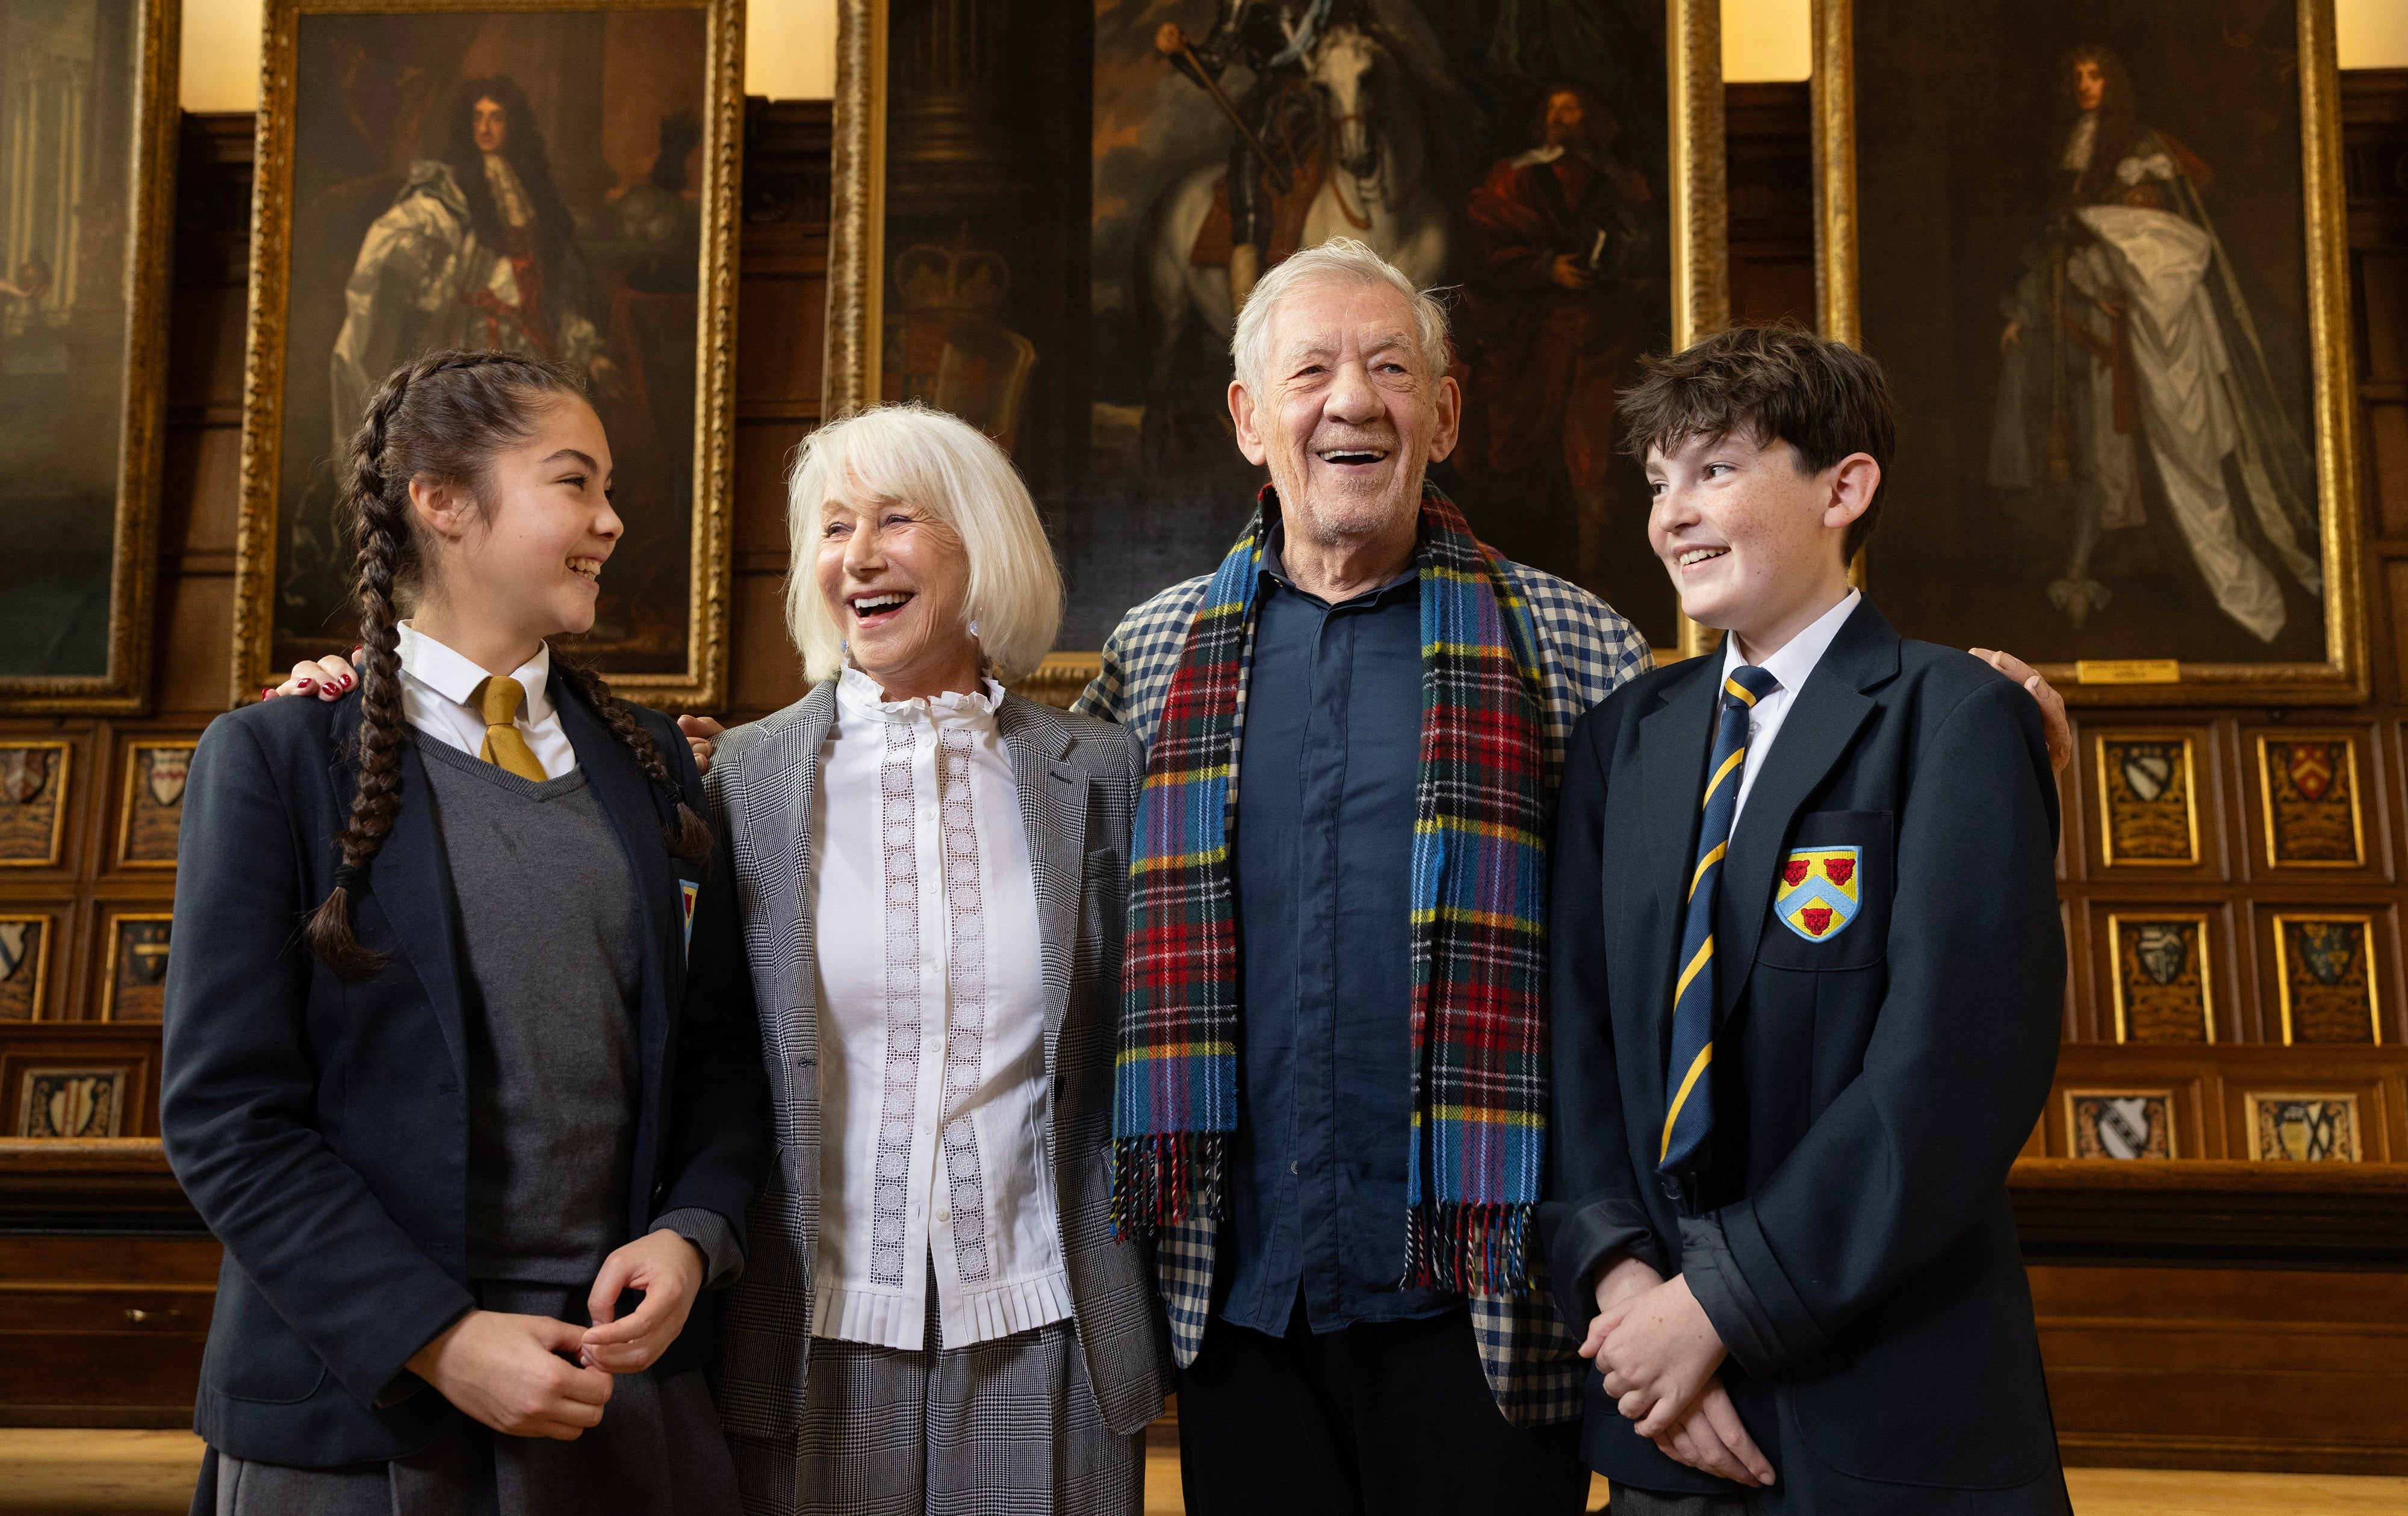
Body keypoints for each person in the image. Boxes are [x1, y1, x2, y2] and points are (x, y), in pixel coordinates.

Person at [1084, 236, 1651, 1515]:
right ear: (1248, 418)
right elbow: (1060, 899)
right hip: (1240, 1301)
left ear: (1442, 414)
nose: (1351, 399)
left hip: (1488, 1301)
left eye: (1390, 367)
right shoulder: (1152, 651)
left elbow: (1674, 917)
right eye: (1310, 371)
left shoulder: (1569, 640)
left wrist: (1949, 722)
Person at [163, 349, 763, 1514]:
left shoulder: (655, 765)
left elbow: (722, 1056)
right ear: (442, 500)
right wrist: (434, 1335)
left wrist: (693, 1232)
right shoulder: (279, 758)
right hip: (357, 1401)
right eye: (575, 485)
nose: (612, 520)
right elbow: (227, 1116)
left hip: (619, 1391)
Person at [1548, 324, 2072, 1512]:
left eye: (1715, 469)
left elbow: (1947, 1071)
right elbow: (1574, 1047)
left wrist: (1716, 1306)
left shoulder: (1949, 715)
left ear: (1843, 486)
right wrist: (1625, 1288)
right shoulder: (1623, 738)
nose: (1671, 513)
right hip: (1664, 1412)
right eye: (1656, 481)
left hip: (1881, 1402)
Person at [684, 403, 1172, 1514]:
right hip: (802, 1326)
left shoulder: (1101, 771)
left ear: (981, 543)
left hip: (1049, 1325)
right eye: (833, 526)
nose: (858, 555)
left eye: (895, 519)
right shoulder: (742, 778)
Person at [1988, 44, 2318, 641]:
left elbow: (2157, 243)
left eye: (2096, 75)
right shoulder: (2069, 151)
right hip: (2078, 322)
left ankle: (2175, 571)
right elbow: (2049, 236)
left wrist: (2103, 264)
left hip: (2143, 322)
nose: (2086, 85)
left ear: (2114, 82)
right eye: (2077, 76)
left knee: (2166, 441)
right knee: (2085, 446)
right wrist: (2023, 306)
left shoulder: (2141, 149)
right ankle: (2084, 564)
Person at [332, 76, 622, 455]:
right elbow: (413, 243)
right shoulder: (453, 191)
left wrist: (590, 353)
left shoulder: (529, 191)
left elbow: (550, 289)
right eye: (478, 118)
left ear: (512, 125)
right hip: (470, 339)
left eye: (496, 118)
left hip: (530, 342)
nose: (485, 128)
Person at [1457, 81, 1659, 590]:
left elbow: (1649, 240)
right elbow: (1487, 245)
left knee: (1595, 449)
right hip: (1530, 336)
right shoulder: (1512, 177)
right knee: (1520, 442)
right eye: (1555, 110)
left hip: (1603, 339)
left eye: (1574, 109)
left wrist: (1617, 263)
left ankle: (1596, 565)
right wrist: (1548, 268)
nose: (1564, 119)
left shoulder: (1619, 180)